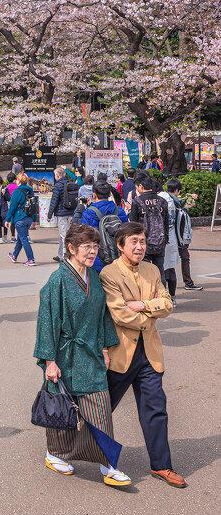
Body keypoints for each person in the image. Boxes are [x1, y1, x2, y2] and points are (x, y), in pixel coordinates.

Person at [34, 224, 127, 484]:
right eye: (87, 246)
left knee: (99, 407)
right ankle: (56, 454)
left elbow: (102, 315)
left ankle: (109, 464)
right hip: (64, 354)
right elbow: (47, 321)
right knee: (62, 407)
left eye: (96, 246)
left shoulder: (93, 277)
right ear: (71, 248)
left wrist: (106, 347)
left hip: (91, 353)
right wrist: (49, 361)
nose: (93, 251)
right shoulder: (58, 280)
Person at [100, 222, 186, 488]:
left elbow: (168, 303)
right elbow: (119, 313)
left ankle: (162, 466)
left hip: (149, 353)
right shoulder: (109, 274)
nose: (139, 246)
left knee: (155, 410)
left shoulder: (152, 269)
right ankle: (65, 448)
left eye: (143, 241)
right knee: (101, 410)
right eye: (134, 242)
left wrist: (143, 305)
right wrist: (151, 313)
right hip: (120, 354)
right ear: (119, 245)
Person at [80, 182, 128, 274]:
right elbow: (126, 233)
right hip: (118, 257)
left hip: (96, 258)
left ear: (94, 195)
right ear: (110, 194)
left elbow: (84, 238)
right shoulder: (119, 211)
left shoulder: (88, 213)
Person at [128, 175, 170, 272]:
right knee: (159, 269)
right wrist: (165, 238)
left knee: (144, 270)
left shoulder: (137, 201)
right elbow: (166, 222)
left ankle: (147, 287)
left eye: (137, 187)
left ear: (141, 186)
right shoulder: (162, 201)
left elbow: (133, 223)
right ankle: (161, 287)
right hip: (160, 241)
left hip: (143, 242)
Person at [5, 171, 37, 266]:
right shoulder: (30, 190)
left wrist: (8, 220)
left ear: (18, 180)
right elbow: (34, 205)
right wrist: (34, 219)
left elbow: (12, 207)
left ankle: (31, 259)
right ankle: (14, 255)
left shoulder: (17, 192)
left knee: (23, 239)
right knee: (20, 237)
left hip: (20, 218)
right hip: (29, 218)